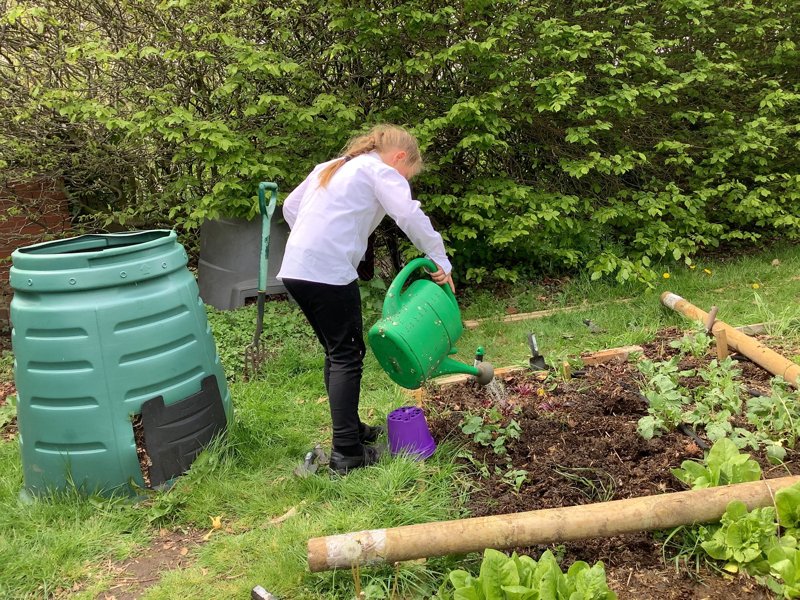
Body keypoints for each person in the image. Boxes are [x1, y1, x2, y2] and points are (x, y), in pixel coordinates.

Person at [277, 124, 454, 474]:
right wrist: (439, 256)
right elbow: (408, 214)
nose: (405, 179)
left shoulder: (335, 165)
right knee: (347, 355)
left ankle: (352, 432)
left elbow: (289, 207)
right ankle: (347, 454)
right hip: (325, 272)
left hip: (297, 269)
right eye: (408, 173)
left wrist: (317, 237)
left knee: (337, 351)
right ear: (399, 157)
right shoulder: (378, 170)